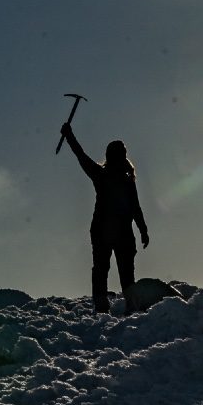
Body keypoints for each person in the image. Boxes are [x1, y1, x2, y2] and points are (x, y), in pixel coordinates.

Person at [60, 122, 149, 313]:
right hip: (113, 231)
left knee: (104, 270)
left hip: (107, 231)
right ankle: (124, 307)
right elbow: (136, 208)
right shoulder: (120, 179)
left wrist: (69, 136)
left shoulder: (109, 177)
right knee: (121, 272)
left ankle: (106, 307)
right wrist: (143, 230)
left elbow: (81, 156)